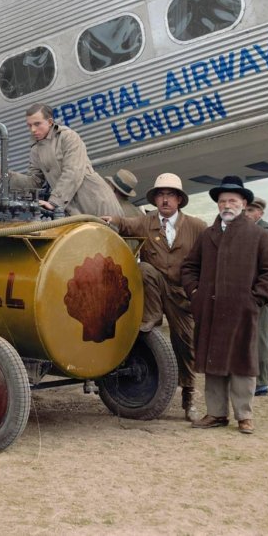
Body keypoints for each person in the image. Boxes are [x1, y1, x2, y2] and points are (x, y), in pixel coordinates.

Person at [181, 175, 268, 436]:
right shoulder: (207, 235)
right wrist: (195, 293)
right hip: (211, 311)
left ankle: (244, 416)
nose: (227, 205)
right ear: (218, 205)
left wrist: (255, 300)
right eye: (222, 201)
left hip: (242, 311)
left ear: (243, 203)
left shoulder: (258, 235)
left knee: (242, 363)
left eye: (232, 200)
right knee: (213, 363)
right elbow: (190, 267)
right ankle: (215, 413)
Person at [102, 173, 206, 420]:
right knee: (144, 268)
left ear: (179, 200)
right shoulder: (145, 222)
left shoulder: (197, 227)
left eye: (170, 195)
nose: (165, 200)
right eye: (161, 195)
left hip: (183, 293)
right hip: (156, 287)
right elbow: (124, 224)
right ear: (156, 199)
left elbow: (211, 254)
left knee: (186, 344)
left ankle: (189, 396)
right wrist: (109, 219)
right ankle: (151, 317)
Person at [7, 103, 121, 217]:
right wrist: (8, 176)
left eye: (37, 124)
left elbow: (73, 172)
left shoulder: (68, 137)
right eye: (29, 125)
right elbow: (35, 182)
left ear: (50, 122)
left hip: (95, 202)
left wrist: (54, 202)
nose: (32, 129)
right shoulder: (35, 150)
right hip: (73, 209)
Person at [245, 196, 268, 397]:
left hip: (259, 293)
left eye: (251, 211)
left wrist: (263, 294)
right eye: (245, 210)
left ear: (260, 213)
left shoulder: (264, 231)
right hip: (251, 292)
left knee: (261, 338)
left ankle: (262, 381)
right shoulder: (251, 230)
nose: (247, 214)